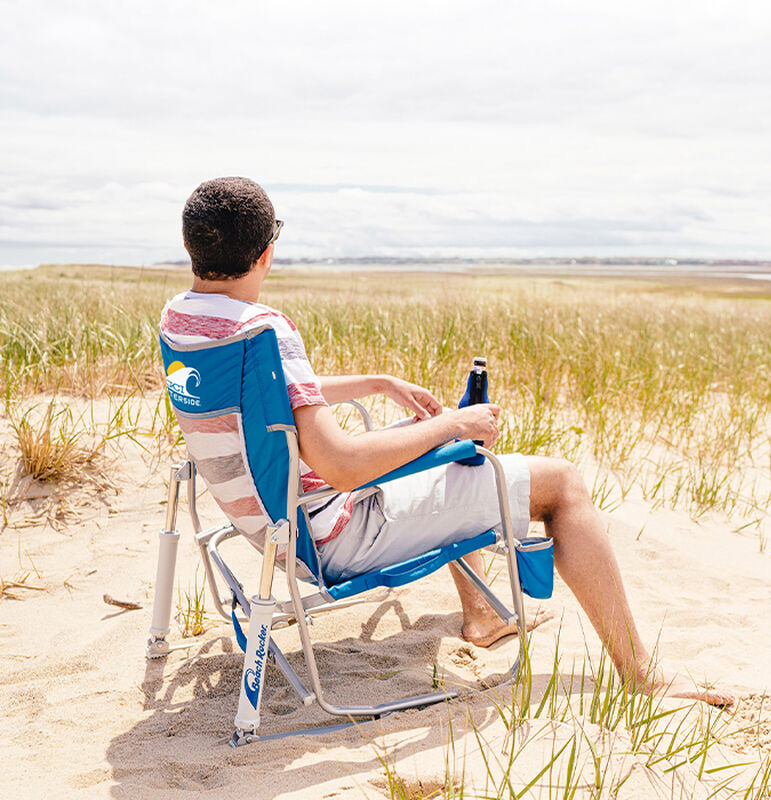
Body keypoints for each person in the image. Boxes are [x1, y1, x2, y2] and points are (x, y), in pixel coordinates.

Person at [162, 176, 733, 707]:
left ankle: (483, 615)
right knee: (557, 482)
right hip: (330, 533)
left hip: (268, 527)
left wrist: (378, 383)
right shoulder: (265, 327)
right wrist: (454, 428)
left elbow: (263, 402)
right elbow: (339, 466)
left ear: (194, 249)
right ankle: (643, 675)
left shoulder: (185, 320)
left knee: (432, 444)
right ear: (266, 252)